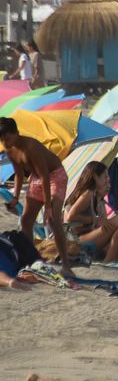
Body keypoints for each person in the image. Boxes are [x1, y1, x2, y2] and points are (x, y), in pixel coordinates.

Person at [1, 116, 76, 279]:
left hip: (54, 175)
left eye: (7, 138)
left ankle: (66, 265)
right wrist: (14, 198)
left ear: (17, 133)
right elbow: (19, 176)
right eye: (1, 140)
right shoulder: (9, 149)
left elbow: (46, 177)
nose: (5, 143)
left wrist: (48, 206)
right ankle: (33, 260)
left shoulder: (31, 147)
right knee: (26, 220)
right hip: (36, 177)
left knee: (53, 219)